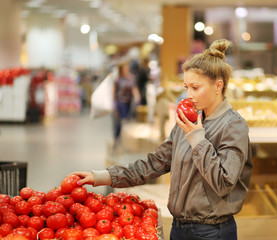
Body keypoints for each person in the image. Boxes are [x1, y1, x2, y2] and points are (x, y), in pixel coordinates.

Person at [71, 39, 253, 240]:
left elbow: (223, 183)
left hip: (211, 232)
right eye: (186, 87)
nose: (188, 95)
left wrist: (197, 138)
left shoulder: (233, 126)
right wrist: (101, 176)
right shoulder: (189, 119)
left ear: (218, 86)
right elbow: (153, 164)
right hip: (179, 227)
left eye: (195, 87)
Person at [113, 61, 141, 145]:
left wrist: (137, 97)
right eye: (125, 68)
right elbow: (114, 92)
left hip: (129, 102)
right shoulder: (118, 79)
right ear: (121, 69)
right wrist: (113, 104)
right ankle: (118, 137)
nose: (127, 69)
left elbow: (134, 88)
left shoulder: (131, 78)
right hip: (120, 102)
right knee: (122, 120)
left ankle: (121, 137)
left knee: (127, 120)